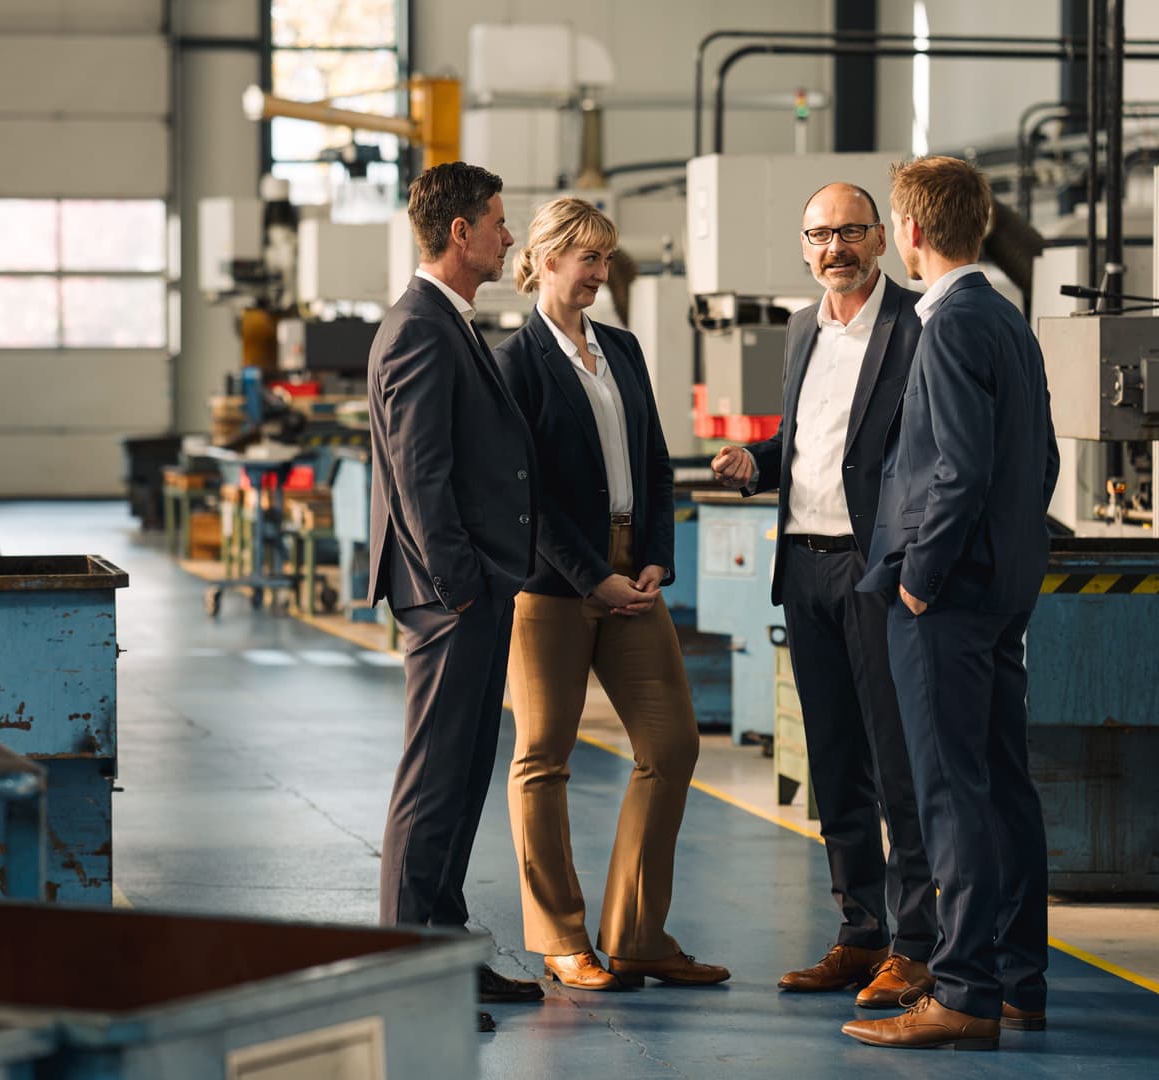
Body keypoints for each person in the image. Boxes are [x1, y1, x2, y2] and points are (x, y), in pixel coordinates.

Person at [841, 156, 1059, 1052]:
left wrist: (920, 578)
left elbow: (957, 469)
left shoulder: (953, 323)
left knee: (949, 794)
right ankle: (1017, 979)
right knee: (1001, 783)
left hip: (948, 598)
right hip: (998, 590)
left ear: (913, 233)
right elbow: (1039, 463)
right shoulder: (1005, 318)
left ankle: (963, 990)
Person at [710, 183, 937, 1009]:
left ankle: (916, 946)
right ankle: (859, 933)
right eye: (818, 234)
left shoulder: (916, 326)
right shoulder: (803, 327)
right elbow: (810, 443)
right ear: (803, 247)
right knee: (835, 766)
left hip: (875, 572)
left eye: (848, 231)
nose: (833, 247)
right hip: (802, 569)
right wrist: (756, 464)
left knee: (897, 765)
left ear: (880, 238)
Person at [493, 197, 728, 993]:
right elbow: (524, 494)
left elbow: (655, 464)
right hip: (553, 587)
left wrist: (656, 556)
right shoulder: (514, 364)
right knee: (542, 757)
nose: (599, 273)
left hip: (634, 569)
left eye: (604, 258)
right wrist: (591, 573)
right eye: (587, 258)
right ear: (546, 259)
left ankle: (634, 935)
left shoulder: (621, 349)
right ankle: (560, 936)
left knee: (671, 746)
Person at [366, 161, 543, 1031]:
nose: (510, 238)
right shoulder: (420, 328)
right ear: (461, 233)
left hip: (469, 591)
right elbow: (419, 472)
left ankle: (446, 955)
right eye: (500, 224)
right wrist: (459, 585)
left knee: (466, 774)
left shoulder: (451, 321)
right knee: (433, 782)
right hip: (451, 597)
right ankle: (407, 980)